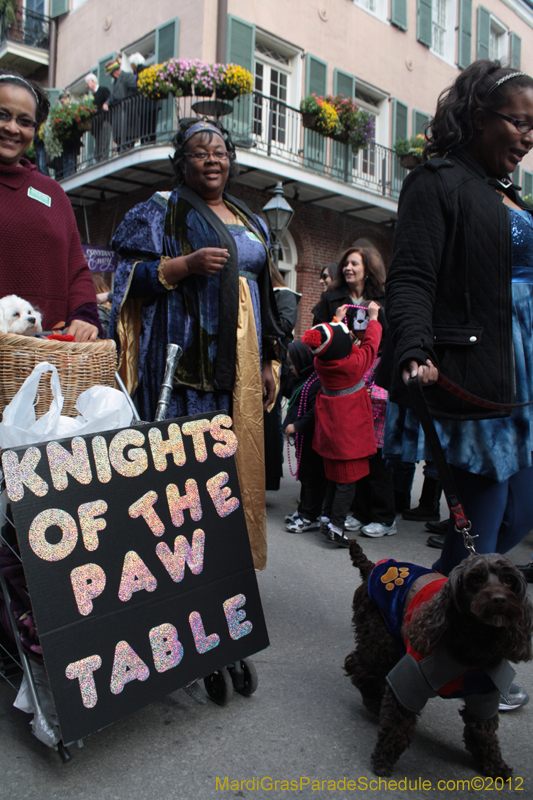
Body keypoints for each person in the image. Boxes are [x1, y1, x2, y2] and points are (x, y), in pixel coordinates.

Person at [383, 60, 533, 711]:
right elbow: (412, 275)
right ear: (477, 114)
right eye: (518, 120)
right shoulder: (436, 182)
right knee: (483, 540)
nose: (527, 136)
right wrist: (412, 347)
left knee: (515, 523)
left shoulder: (510, 194)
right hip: (478, 375)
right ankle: (431, 663)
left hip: (525, 378)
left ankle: (430, 640)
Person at [109, 118, 280, 570]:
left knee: (226, 465)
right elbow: (127, 277)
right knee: (181, 469)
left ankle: (222, 563)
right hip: (182, 367)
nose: (212, 159)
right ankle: (172, 564)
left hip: (239, 368)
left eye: (220, 152)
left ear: (231, 161)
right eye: (200, 152)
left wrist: (268, 361)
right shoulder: (160, 209)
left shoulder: (252, 219)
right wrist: (184, 264)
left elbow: (268, 291)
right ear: (181, 163)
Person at [0, 69, 101, 341]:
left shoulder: (53, 193)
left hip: (46, 361)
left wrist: (84, 316)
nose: (12, 128)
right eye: (2, 115)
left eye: (24, 121)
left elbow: (77, 270)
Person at [301, 304, 382, 547]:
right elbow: (371, 345)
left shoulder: (322, 363)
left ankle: (326, 517)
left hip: (330, 432)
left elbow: (332, 340)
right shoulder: (354, 364)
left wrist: (338, 316)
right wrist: (374, 319)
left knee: (333, 477)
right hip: (350, 434)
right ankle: (337, 526)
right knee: (347, 482)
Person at [283, 340, 325, 533]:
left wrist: (297, 426)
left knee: (312, 478)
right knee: (305, 477)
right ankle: (303, 511)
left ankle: (310, 515)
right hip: (303, 440)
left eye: (293, 364)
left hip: (312, 440)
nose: (291, 368)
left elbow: (314, 411)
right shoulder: (305, 380)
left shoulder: (316, 383)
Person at [312, 247, 386, 327]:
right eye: (345, 264)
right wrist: (341, 333)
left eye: (354, 264)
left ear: (367, 270)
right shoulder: (329, 298)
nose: (347, 268)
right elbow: (318, 333)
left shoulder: (381, 299)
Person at [103, 58, 137, 153]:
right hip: (118, 119)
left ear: (117, 70)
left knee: (128, 142)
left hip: (127, 115)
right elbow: (111, 97)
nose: (111, 75)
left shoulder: (127, 76)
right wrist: (106, 103)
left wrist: (123, 102)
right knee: (120, 143)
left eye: (111, 72)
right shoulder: (113, 84)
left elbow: (132, 91)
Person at [84, 72, 111, 163]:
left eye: (87, 83)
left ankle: (103, 161)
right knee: (99, 146)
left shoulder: (103, 90)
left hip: (104, 121)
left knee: (104, 143)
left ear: (92, 81)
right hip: (96, 125)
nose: (87, 86)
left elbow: (109, 100)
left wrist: (106, 104)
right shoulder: (92, 97)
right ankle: (99, 161)